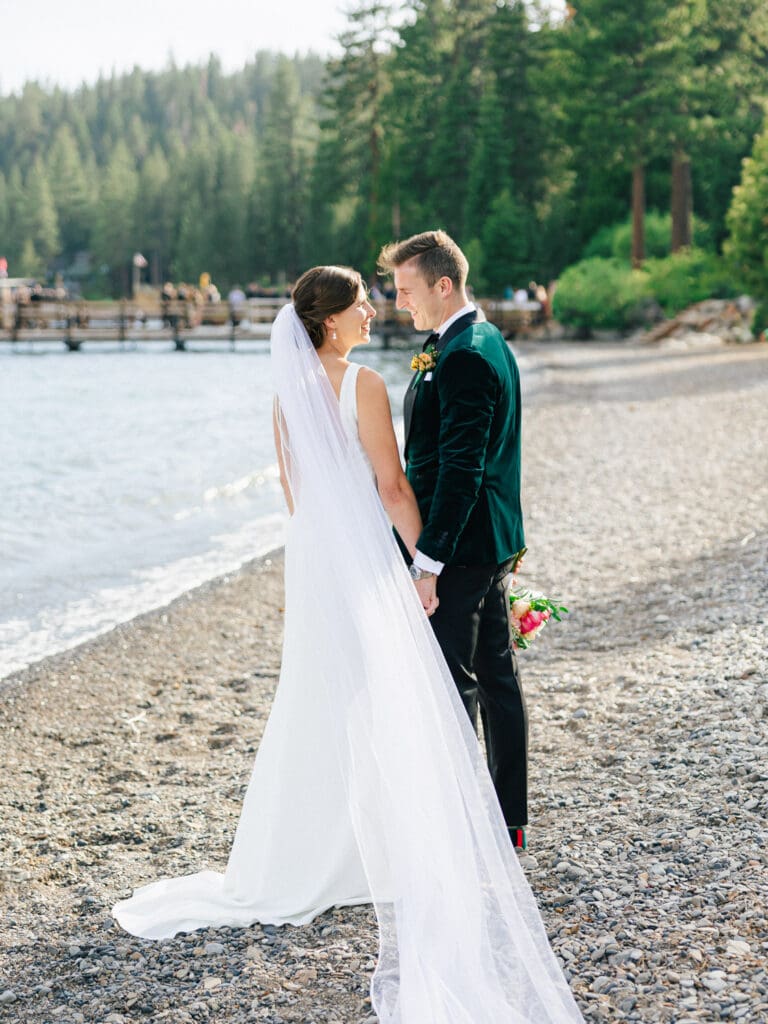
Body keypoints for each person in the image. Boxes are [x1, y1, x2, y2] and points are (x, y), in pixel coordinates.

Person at [113, 266, 583, 1024]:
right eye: (362, 302)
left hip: (313, 556)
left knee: (320, 692)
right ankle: (385, 844)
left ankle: (308, 850)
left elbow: (296, 496)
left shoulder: (285, 396)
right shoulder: (361, 385)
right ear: (330, 322)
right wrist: (423, 565)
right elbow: (394, 490)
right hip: (363, 554)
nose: (373, 309)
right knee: (391, 688)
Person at [377, 230, 530, 852]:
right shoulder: (480, 338)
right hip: (489, 539)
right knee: (496, 676)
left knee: (454, 683)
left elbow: (462, 470)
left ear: (444, 285)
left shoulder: (463, 355)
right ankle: (506, 821)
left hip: (462, 547)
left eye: (408, 291)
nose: (399, 304)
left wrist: (426, 562)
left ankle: (462, 828)